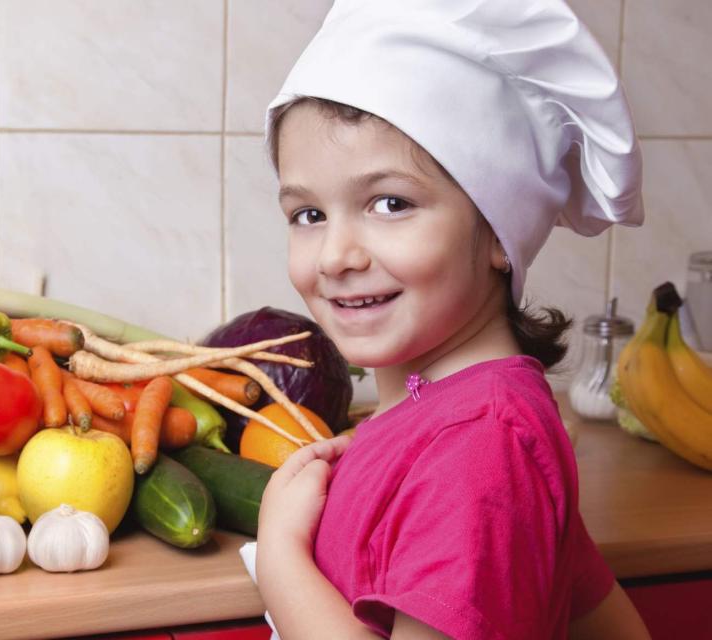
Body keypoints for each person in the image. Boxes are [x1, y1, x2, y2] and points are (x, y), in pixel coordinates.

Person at [246, 1, 652, 637]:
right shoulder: (455, 420)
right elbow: (602, 616)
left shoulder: (479, 445)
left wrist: (280, 558)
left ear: (498, 227)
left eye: (389, 203)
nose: (335, 256)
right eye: (308, 215)